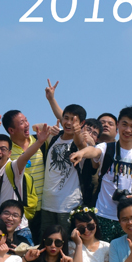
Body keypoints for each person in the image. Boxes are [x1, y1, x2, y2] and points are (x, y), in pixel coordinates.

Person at [69, 106, 132, 242]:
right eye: (124, 124)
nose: (128, 130)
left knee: (127, 253)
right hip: (103, 214)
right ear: (118, 125)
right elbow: (94, 151)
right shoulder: (107, 148)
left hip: (129, 217)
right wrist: (81, 153)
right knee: (102, 252)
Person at [0, 122, 51, 243]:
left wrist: (39, 142)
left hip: (18, 229)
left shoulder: (13, 168)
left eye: (3, 149)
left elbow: (25, 157)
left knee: (24, 255)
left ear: (9, 153)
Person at [41, 80, 89, 240]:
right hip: (47, 203)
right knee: (45, 243)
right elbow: (42, 125)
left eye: (73, 120)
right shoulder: (54, 136)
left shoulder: (81, 142)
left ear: (82, 123)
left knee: (68, 244)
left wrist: (77, 133)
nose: (68, 122)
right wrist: (51, 99)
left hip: (69, 206)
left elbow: (81, 144)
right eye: (66, 118)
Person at [3, 109, 45, 236]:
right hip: (20, 210)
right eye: (22, 123)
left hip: (44, 207)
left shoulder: (40, 140)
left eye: (26, 120)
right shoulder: (6, 149)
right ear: (11, 130)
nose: (27, 124)